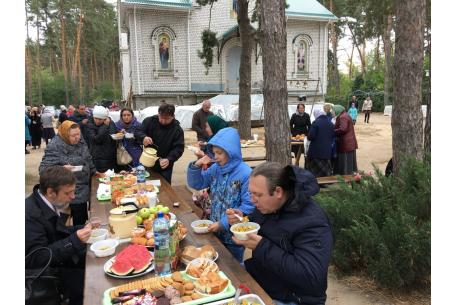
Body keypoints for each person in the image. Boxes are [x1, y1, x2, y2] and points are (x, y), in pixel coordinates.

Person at [228, 162, 333, 305]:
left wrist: (261, 246)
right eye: (251, 194)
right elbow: (255, 222)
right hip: (261, 278)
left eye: (258, 195)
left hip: (292, 297)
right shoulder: (268, 206)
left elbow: (311, 277)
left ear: (278, 192)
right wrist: (241, 220)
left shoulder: (312, 223)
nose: (253, 201)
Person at [25, 166, 94, 305]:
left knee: (94, 258)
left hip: (59, 262)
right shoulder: (30, 216)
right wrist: (74, 240)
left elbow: (58, 232)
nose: (73, 197)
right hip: (45, 276)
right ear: (50, 192)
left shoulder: (45, 201)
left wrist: (82, 228)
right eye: (68, 193)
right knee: (93, 283)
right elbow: (36, 258)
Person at [187, 127, 255, 263]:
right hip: (214, 229)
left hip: (233, 236)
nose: (215, 157)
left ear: (232, 153)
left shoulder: (245, 173)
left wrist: (223, 223)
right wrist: (197, 164)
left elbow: (248, 207)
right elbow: (197, 183)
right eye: (213, 153)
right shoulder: (216, 168)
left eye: (219, 153)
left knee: (233, 268)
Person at [39, 120, 100, 225]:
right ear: (65, 134)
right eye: (73, 135)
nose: (77, 137)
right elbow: (43, 170)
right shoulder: (55, 145)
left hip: (82, 188)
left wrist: (94, 171)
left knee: (81, 220)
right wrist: (62, 169)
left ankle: (79, 235)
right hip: (67, 190)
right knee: (64, 223)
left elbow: (87, 158)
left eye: (78, 134)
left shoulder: (80, 140)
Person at [141, 103, 184, 183]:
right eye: (161, 117)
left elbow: (179, 148)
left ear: (173, 116)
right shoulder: (149, 121)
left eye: (167, 118)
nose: (163, 121)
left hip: (165, 165)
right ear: (158, 114)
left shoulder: (177, 130)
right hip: (147, 161)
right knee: (146, 185)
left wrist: (169, 159)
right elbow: (138, 132)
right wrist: (143, 137)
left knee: (164, 187)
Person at [86, 105, 119, 172]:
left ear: (105, 118)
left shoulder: (110, 122)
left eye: (100, 119)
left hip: (111, 157)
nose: (97, 121)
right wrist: (105, 126)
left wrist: (120, 133)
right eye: (96, 118)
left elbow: (114, 133)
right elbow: (97, 139)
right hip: (99, 159)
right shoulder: (90, 125)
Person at [305, 109, 335, 178]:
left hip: (316, 151)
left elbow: (310, 136)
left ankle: (314, 180)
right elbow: (333, 135)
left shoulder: (316, 122)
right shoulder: (330, 123)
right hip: (327, 151)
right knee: (325, 169)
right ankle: (325, 181)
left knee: (314, 170)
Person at [333, 105, 358, 175]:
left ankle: (347, 179)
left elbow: (343, 129)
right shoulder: (344, 115)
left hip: (346, 144)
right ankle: (348, 177)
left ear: (337, 110)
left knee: (346, 164)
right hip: (348, 144)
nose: (332, 112)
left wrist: (333, 131)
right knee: (348, 163)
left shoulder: (343, 117)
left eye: (333, 111)